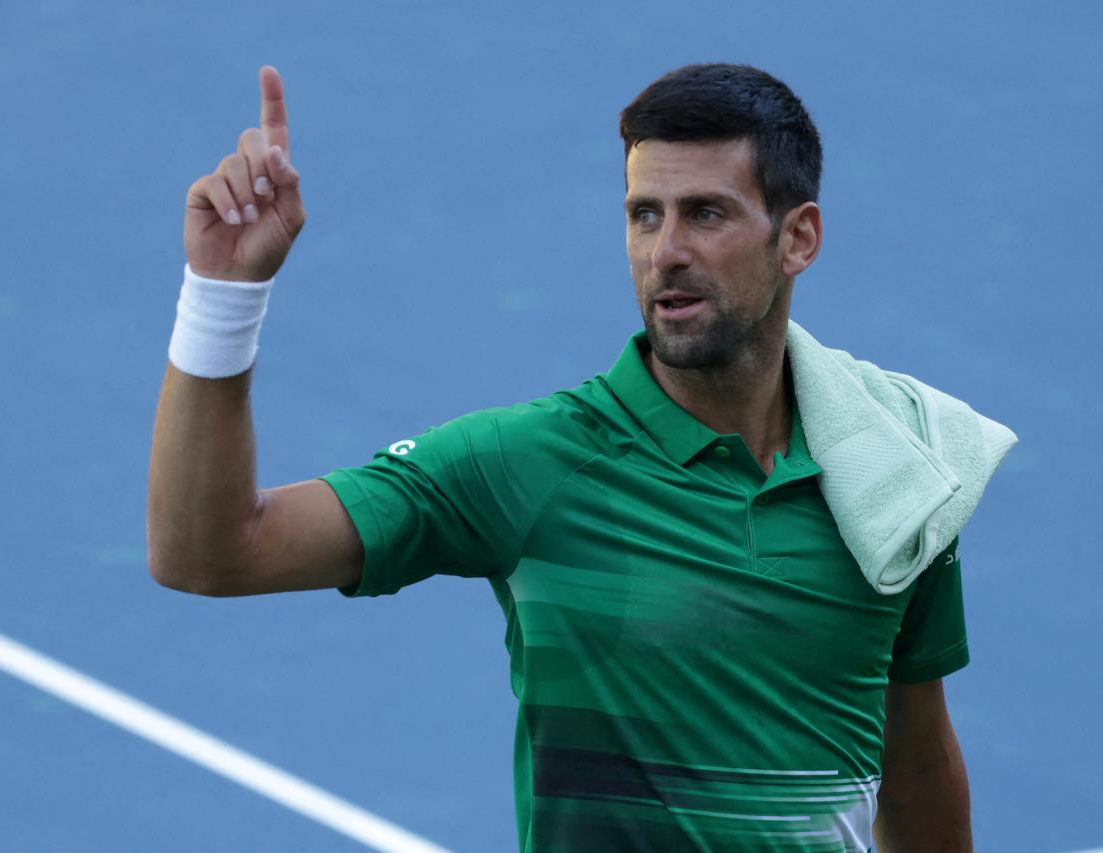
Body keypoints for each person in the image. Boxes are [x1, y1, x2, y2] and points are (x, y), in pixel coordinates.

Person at [148, 63, 998, 851]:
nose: (666, 250)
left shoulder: (893, 476)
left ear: (798, 238)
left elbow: (917, 766)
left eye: (705, 213)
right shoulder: (529, 463)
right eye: (643, 214)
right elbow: (211, 551)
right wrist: (224, 295)